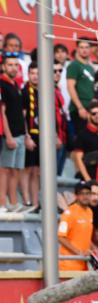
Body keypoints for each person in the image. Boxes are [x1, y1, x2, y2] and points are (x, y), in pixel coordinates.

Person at [0, 53, 29, 212]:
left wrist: (25, 135)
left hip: (20, 134)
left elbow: (21, 113)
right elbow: (2, 112)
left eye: (15, 65)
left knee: (16, 170)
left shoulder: (16, 85)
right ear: (3, 66)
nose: (12, 67)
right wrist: (8, 135)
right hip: (9, 135)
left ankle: (13, 203)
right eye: (9, 64)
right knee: (5, 169)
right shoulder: (2, 85)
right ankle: (2, 204)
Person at [71, 99, 98, 182]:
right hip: (91, 177)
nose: (97, 115)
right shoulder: (82, 134)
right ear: (88, 115)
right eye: (94, 113)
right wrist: (88, 181)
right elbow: (78, 159)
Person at [58, 181, 94, 272]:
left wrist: (93, 251)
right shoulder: (69, 213)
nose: (85, 196)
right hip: (69, 265)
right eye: (81, 193)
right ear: (76, 195)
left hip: (84, 263)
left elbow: (85, 236)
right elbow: (61, 237)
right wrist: (79, 253)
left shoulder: (89, 212)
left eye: (87, 193)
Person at [20, 62, 40, 213]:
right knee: (27, 169)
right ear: (28, 74)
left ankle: (35, 202)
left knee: (37, 171)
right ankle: (26, 200)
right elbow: (23, 116)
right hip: (30, 135)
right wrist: (27, 136)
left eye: (38, 74)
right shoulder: (25, 91)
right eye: (33, 73)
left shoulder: (43, 91)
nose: (35, 76)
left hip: (41, 136)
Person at [67, 37, 96, 133]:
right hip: (78, 110)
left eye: (86, 47)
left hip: (90, 109)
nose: (84, 50)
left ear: (90, 49)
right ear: (77, 49)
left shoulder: (90, 67)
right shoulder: (74, 65)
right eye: (81, 47)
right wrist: (80, 107)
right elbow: (70, 87)